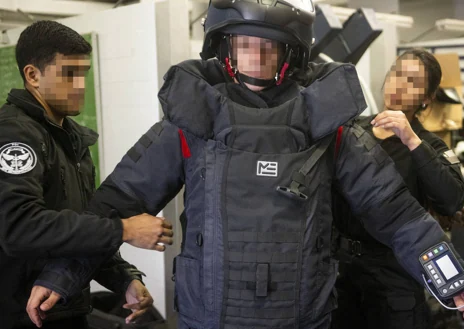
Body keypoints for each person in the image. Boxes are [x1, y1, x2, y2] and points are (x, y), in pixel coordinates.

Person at [26, 2, 464, 329]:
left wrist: (450, 277)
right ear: (225, 45)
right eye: (245, 42)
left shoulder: (329, 126)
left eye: (269, 45)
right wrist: (61, 275)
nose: (256, 54)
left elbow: (395, 212)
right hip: (210, 317)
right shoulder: (191, 121)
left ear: (291, 51)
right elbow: (117, 200)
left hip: (302, 315)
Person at [0, 21, 174, 329]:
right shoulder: (14, 134)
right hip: (20, 315)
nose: (80, 84)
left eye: (83, 73)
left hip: (67, 309)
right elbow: (19, 227)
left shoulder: (72, 139)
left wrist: (124, 279)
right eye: (68, 74)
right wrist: (123, 229)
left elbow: (80, 229)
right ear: (33, 75)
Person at [330, 48, 464, 329]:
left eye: (412, 81)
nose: (399, 84)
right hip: (343, 272)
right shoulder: (352, 132)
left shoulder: (428, 145)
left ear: (426, 98)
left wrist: (411, 140)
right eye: (397, 73)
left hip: (395, 277)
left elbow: (452, 200)